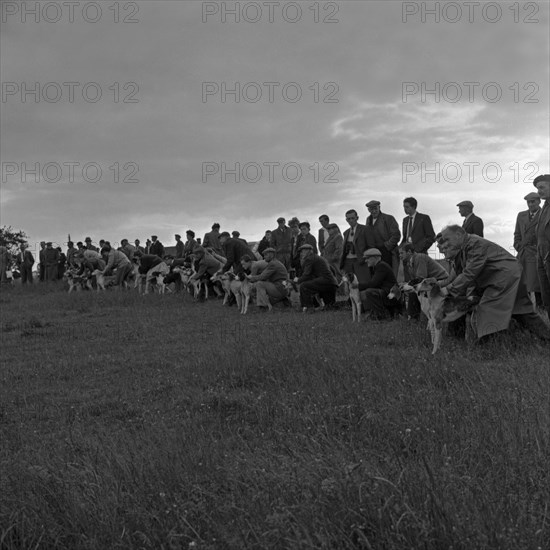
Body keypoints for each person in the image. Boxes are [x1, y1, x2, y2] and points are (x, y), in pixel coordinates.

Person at [437, 225, 549, 341]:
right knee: (522, 311)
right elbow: (469, 275)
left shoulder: (475, 244)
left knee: (487, 309)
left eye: (447, 239)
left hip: (504, 277)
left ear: (458, 235)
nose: (445, 243)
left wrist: (448, 290)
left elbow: (470, 273)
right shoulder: (467, 246)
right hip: (509, 274)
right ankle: (546, 338)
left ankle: (486, 344)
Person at [399, 243, 450, 319]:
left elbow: (420, 278)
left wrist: (406, 285)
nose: (399, 255)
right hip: (430, 282)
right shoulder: (409, 263)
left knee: (414, 291)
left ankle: (413, 318)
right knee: (411, 290)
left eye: (401, 253)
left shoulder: (419, 258)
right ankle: (412, 316)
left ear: (409, 252)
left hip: (441, 281)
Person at [514, 192, 543, 308]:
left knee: (537, 284)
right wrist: (518, 245)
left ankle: (541, 309)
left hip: (537, 254)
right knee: (522, 283)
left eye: (533, 201)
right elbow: (517, 233)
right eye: (528, 202)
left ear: (539, 201)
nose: (530, 204)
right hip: (522, 254)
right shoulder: (521, 215)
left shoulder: (544, 214)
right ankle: (525, 309)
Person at [400, 197, 436, 280]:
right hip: (407, 256)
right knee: (408, 282)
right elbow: (405, 237)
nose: (405, 209)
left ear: (414, 207)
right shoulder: (405, 220)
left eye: (407, 207)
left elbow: (431, 237)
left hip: (420, 254)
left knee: (420, 280)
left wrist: (419, 250)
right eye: (404, 207)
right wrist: (400, 249)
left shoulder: (424, 218)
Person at [295, 244, 339, 312]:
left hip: (325, 282)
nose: (301, 253)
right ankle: (317, 306)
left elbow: (307, 275)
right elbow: (332, 270)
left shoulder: (309, 259)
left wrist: (297, 280)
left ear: (308, 251)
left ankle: (308, 308)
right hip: (332, 284)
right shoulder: (318, 258)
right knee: (329, 306)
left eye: (302, 251)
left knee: (304, 286)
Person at [358, 248, 398, 320]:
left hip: (391, 295)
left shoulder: (381, 266)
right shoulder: (378, 266)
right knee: (366, 292)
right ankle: (372, 313)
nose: (366, 260)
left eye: (367, 258)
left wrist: (357, 287)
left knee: (370, 292)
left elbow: (373, 284)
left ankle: (380, 315)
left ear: (375, 258)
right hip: (388, 293)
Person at [364, 200, 401, 276]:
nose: (374, 211)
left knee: (388, 274)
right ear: (368, 210)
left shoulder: (389, 218)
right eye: (371, 209)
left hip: (387, 252)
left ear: (379, 207)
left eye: (375, 208)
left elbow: (396, 235)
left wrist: (386, 247)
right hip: (374, 253)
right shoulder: (368, 220)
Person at [534, 174, 550, 317]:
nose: (539, 191)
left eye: (542, 187)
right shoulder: (543, 208)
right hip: (542, 258)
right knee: (547, 298)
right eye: (537, 188)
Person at [340, 209, 369, 274]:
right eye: (349, 219)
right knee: (349, 283)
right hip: (347, 262)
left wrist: (365, 259)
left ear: (357, 218)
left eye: (353, 218)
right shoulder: (346, 232)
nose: (351, 220)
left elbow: (370, 246)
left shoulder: (365, 229)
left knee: (362, 282)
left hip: (361, 261)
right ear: (346, 220)